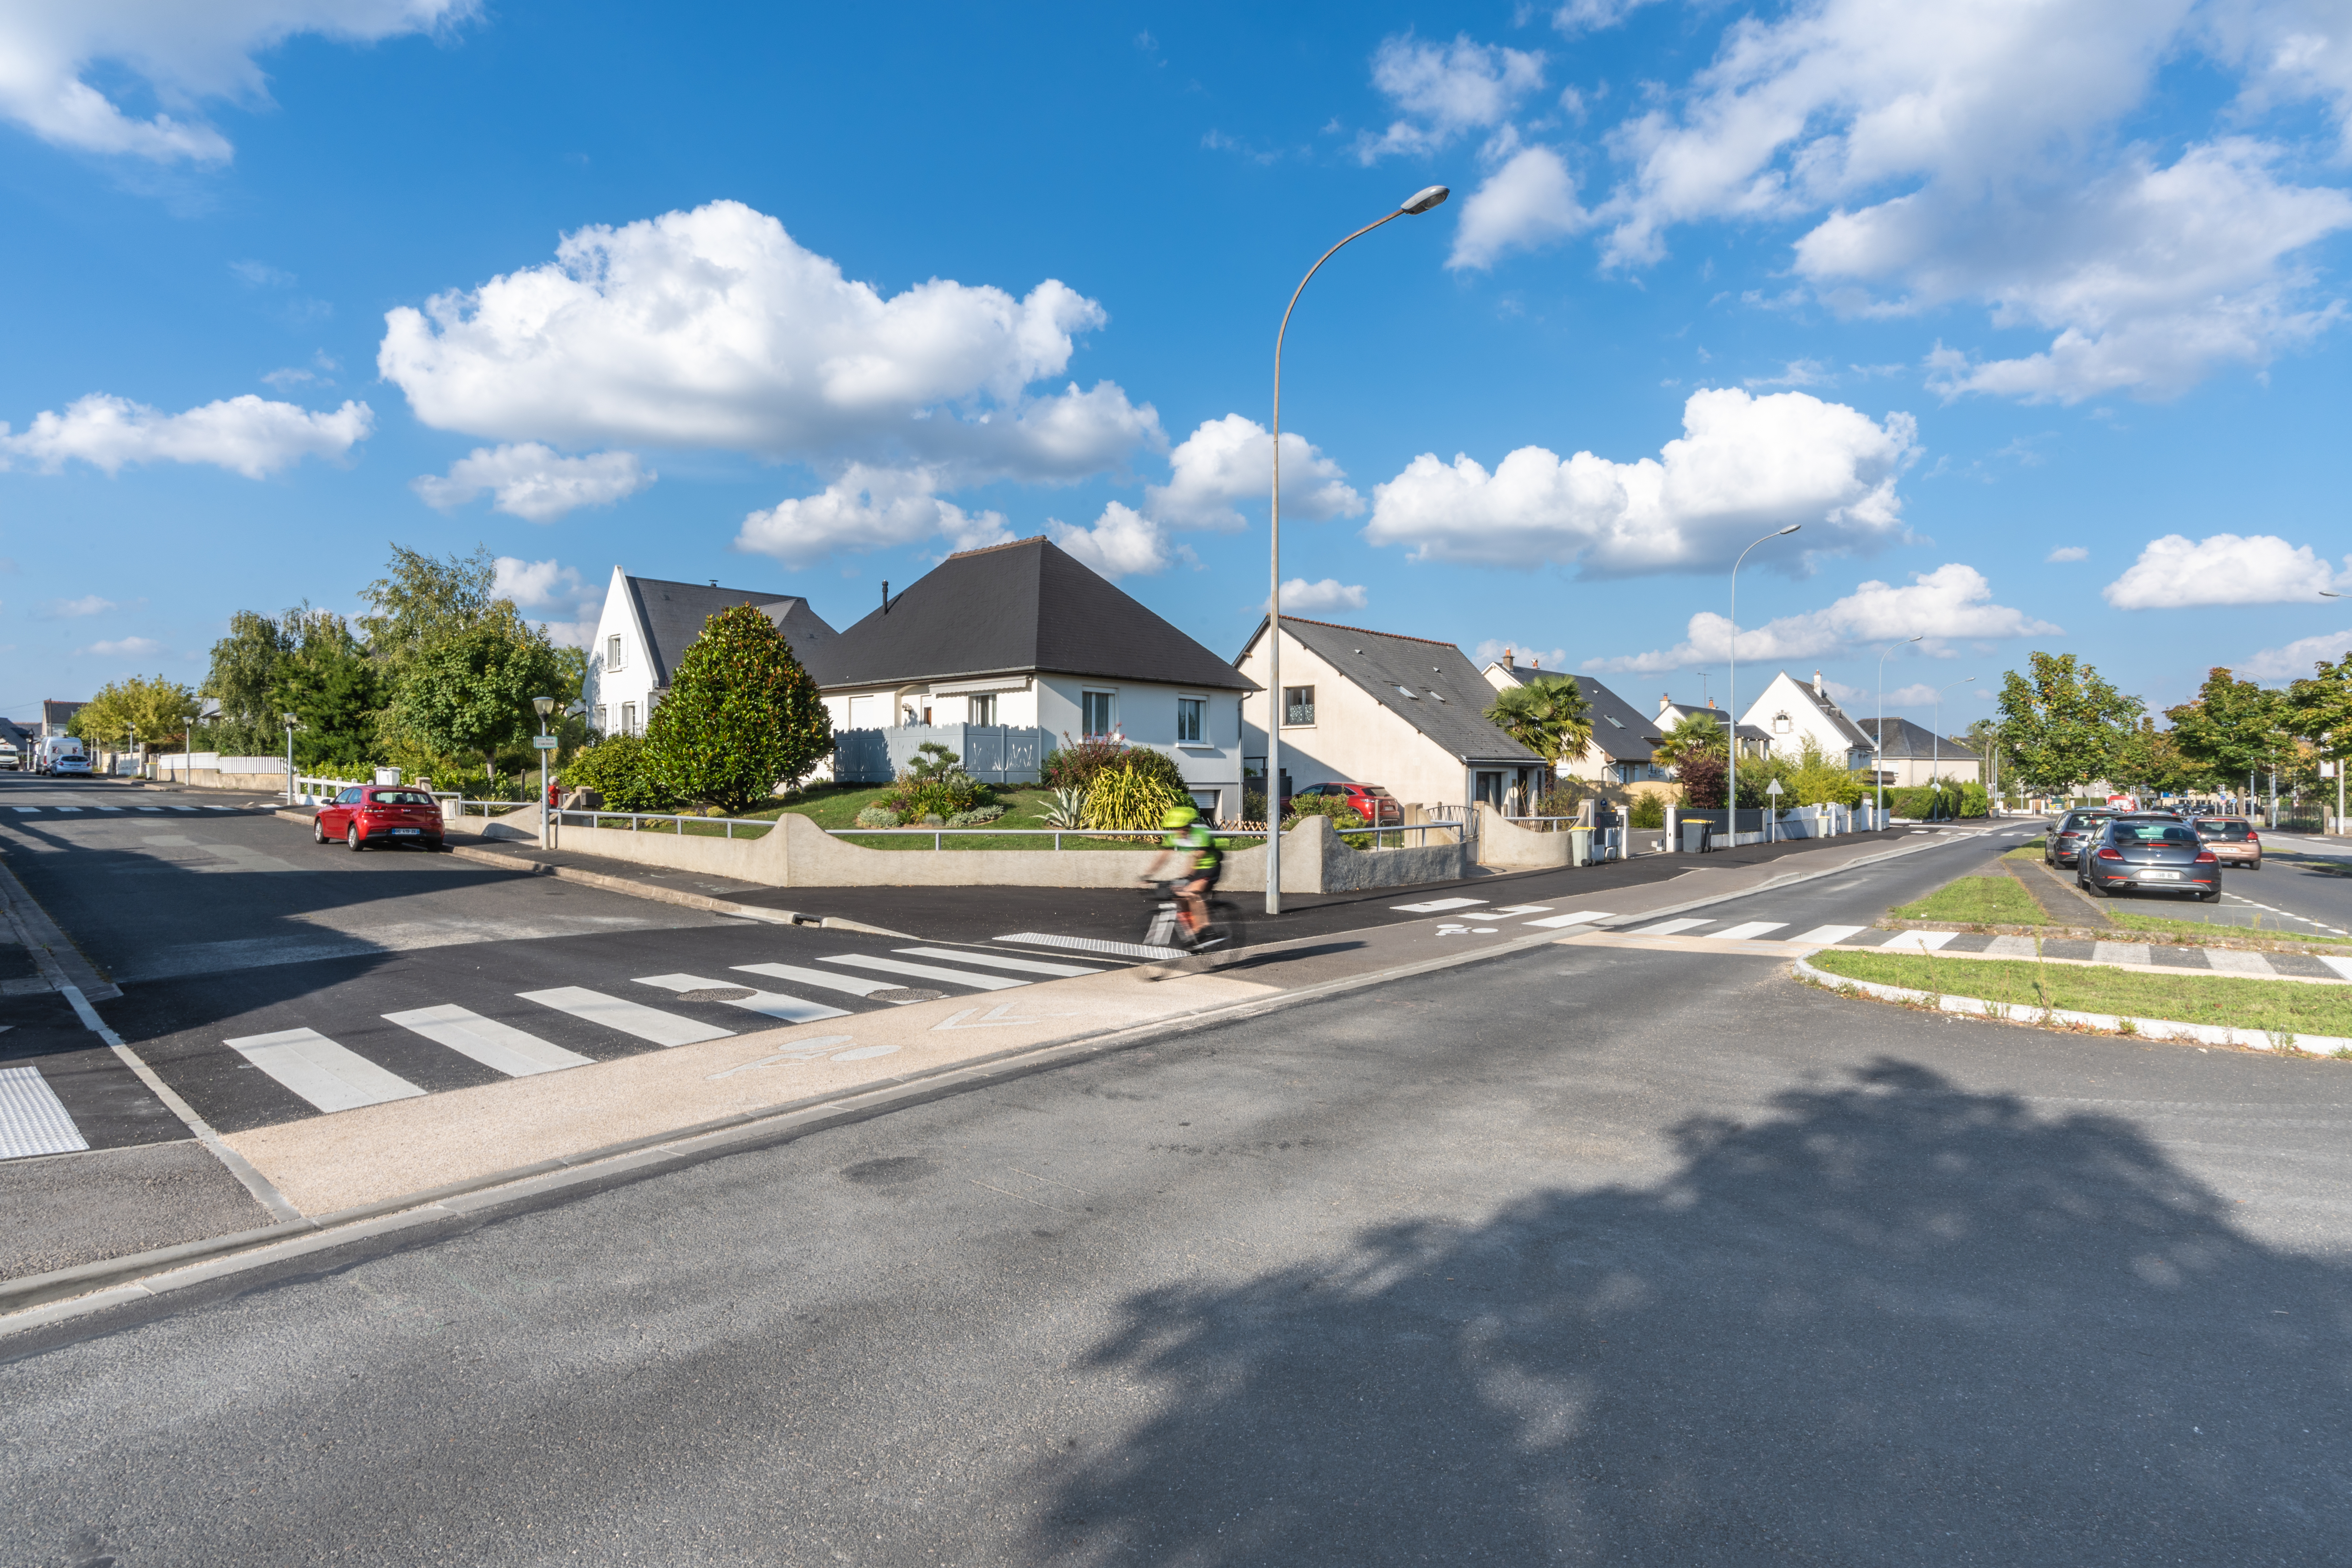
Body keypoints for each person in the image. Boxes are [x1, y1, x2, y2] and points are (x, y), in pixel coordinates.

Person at [1143, 803, 1224, 948]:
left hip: (1210, 868)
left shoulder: (1201, 834)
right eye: (1175, 828)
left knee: (1192, 892)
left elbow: (1198, 856)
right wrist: (1149, 874)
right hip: (1195, 869)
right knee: (1177, 894)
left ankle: (1205, 930)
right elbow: (1163, 856)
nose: (1178, 832)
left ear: (1189, 826)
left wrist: (1187, 877)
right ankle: (1193, 929)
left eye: (1182, 828)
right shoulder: (1174, 836)